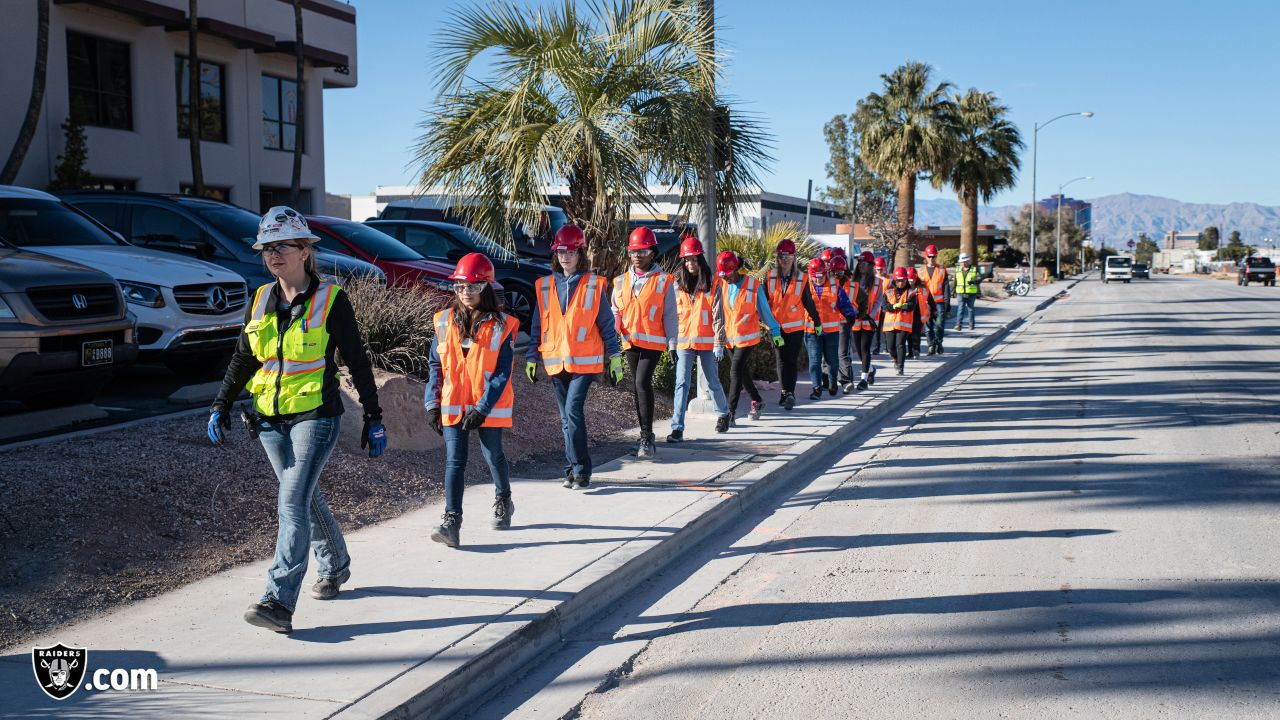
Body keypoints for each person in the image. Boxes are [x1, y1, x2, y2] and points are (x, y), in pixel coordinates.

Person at [209, 206, 387, 635]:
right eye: (266, 248)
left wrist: (374, 417)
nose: (272, 255)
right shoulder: (260, 299)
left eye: (281, 246)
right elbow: (244, 357)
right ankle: (337, 564)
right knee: (304, 499)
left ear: (305, 250)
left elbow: (358, 363)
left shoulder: (332, 300)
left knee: (291, 503)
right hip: (269, 419)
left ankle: (278, 600)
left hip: (316, 416)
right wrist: (221, 404)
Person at [424, 253, 521, 548]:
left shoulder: (503, 326)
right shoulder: (443, 321)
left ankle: (503, 498)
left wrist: (482, 409)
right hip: (453, 404)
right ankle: (451, 522)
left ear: (487, 287)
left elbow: (502, 372)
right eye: (460, 287)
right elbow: (435, 365)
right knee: (455, 462)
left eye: (473, 287)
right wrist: (432, 403)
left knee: (493, 455)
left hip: (487, 404)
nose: (466, 293)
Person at [526, 224, 624, 490]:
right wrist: (531, 356)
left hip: (585, 362)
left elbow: (606, 324)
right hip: (556, 361)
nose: (565, 257)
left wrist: (615, 357)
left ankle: (581, 470)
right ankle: (572, 469)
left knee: (572, 411)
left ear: (580, 254)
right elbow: (538, 324)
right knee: (565, 419)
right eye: (561, 252)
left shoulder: (593, 285)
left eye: (570, 252)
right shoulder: (545, 286)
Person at [612, 227, 677, 458]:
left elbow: (670, 314)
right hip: (630, 341)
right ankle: (644, 436)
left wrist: (672, 344)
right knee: (637, 388)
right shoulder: (620, 281)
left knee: (641, 383)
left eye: (643, 251)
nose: (637, 255)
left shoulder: (664, 280)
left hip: (653, 341)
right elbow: (615, 310)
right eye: (633, 251)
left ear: (653, 253)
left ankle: (648, 437)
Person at [668, 236, 731, 439]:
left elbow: (718, 316)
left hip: (706, 342)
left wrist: (719, 343)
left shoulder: (713, 285)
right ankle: (677, 427)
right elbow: (670, 315)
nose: (690, 264)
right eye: (687, 260)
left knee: (712, 381)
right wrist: (671, 343)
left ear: (700, 260)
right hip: (684, 341)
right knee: (681, 383)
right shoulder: (676, 285)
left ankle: (723, 414)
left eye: (694, 259)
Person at [717, 251, 784, 423]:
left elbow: (765, 312)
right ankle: (757, 400)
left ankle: (730, 413)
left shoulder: (753, 286)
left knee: (735, 371)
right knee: (742, 372)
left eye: (728, 274)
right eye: (723, 275)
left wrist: (775, 332)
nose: (726, 278)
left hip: (747, 338)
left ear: (736, 269)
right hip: (730, 339)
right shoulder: (722, 284)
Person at [764, 238, 821, 410]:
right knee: (781, 360)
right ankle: (785, 392)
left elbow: (808, 302)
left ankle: (789, 393)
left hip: (795, 328)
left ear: (794, 257)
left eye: (788, 256)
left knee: (791, 361)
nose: (785, 259)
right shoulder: (770, 276)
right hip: (775, 327)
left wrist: (817, 321)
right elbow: (763, 302)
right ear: (777, 258)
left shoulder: (802, 278)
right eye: (782, 256)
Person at [804, 257, 858, 400]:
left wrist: (850, 315)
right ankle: (816, 389)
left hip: (831, 332)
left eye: (821, 276)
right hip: (811, 331)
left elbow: (845, 303)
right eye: (814, 277)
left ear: (826, 273)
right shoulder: (805, 286)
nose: (818, 280)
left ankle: (833, 381)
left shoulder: (835, 285)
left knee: (832, 361)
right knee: (814, 361)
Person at [883, 266, 931, 375]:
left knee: (900, 345)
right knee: (890, 347)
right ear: (895, 280)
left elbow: (911, 306)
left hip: (904, 324)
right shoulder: (888, 291)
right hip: (889, 325)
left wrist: (901, 306)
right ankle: (895, 359)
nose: (901, 283)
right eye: (899, 280)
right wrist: (894, 306)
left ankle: (901, 367)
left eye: (903, 280)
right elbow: (884, 306)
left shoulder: (911, 292)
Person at [849, 255, 883, 390]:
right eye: (859, 262)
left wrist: (871, 314)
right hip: (856, 320)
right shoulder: (852, 280)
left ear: (870, 265)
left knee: (865, 349)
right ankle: (871, 369)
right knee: (858, 350)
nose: (861, 265)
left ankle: (863, 380)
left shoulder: (877, 282)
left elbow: (878, 301)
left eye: (864, 263)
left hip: (869, 321)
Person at [919, 244, 950, 355]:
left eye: (933, 256)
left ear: (936, 256)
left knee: (939, 325)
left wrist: (947, 303)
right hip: (926, 303)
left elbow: (946, 287)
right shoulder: (921, 271)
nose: (932, 259)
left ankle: (939, 342)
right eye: (929, 257)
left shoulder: (942, 269)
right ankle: (931, 346)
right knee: (927, 326)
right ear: (926, 257)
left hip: (939, 303)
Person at [954, 252, 981, 331]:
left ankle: (971, 325)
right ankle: (959, 325)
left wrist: (974, 281)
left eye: (964, 261)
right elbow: (956, 281)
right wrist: (953, 291)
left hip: (971, 293)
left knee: (970, 309)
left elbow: (979, 279)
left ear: (968, 261)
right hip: (960, 292)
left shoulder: (974, 269)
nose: (963, 263)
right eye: (961, 262)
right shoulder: (958, 270)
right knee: (960, 309)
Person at [906, 266, 926, 359]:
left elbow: (929, 298)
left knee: (916, 332)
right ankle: (910, 352)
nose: (911, 282)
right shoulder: (904, 288)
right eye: (909, 280)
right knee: (908, 334)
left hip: (918, 312)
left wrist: (934, 309)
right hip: (908, 313)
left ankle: (916, 349)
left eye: (912, 280)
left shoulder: (921, 287)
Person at [872, 256, 889, 356]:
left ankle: (887, 347)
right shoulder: (873, 279)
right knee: (877, 329)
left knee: (886, 327)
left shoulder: (888, 279)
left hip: (885, 306)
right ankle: (877, 347)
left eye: (881, 269)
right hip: (876, 307)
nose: (879, 271)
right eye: (878, 269)